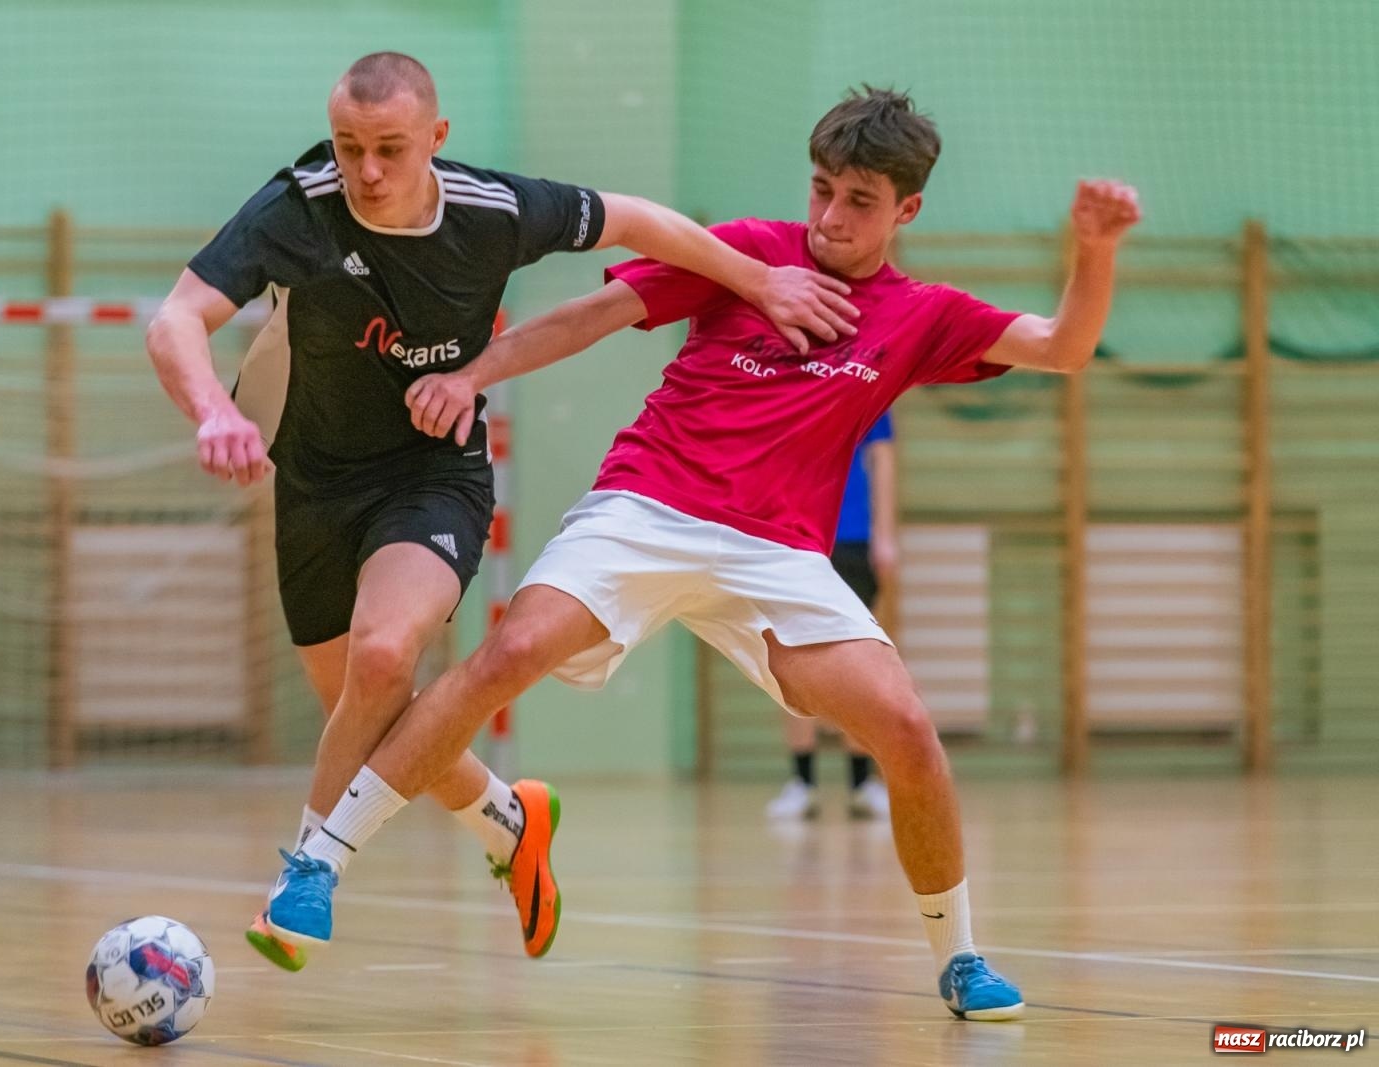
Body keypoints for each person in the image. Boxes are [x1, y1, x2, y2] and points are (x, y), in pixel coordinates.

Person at [272, 86, 1140, 1021]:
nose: (830, 217)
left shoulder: (921, 313)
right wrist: (475, 373)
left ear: (906, 210)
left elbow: (1063, 347)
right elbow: (591, 317)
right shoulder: (749, 255)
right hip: (647, 507)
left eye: (858, 201)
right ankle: (321, 858)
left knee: (908, 730)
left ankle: (961, 955)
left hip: (780, 554)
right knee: (509, 655)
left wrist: (1093, 252)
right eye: (821, 190)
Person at [144, 52, 857, 971]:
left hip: (431, 475)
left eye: (390, 149)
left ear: (436, 141)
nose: (365, 171)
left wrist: (757, 281)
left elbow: (636, 218)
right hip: (314, 487)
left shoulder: (494, 211)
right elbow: (175, 320)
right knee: (374, 716)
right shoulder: (299, 208)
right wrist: (213, 409)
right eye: (350, 146)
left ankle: (310, 871)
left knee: (385, 654)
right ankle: (509, 820)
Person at [767, 411, 896, 821]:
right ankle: (802, 781)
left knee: (860, 666)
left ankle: (862, 781)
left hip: (852, 537)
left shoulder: (870, 376)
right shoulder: (781, 377)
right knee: (790, 659)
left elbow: (883, 456)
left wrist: (885, 534)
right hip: (794, 536)